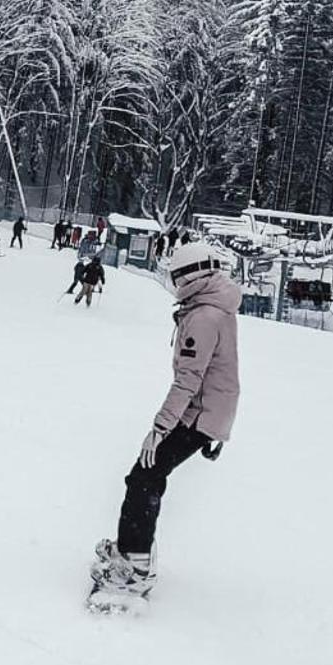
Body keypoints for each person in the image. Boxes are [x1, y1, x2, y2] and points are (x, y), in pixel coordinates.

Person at [93, 240, 240, 595]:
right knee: (148, 476)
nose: (173, 283)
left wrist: (159, 429)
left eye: (176, 276)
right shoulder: (213, 306)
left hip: (198, 413)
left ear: (193, 275)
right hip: (206, 411)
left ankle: (135, 564)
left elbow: (188, 380)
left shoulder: (204, 316)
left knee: (143, 477)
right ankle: (133, 548)